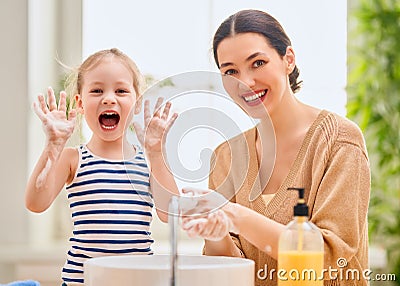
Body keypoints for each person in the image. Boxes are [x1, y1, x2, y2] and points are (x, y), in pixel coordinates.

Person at [181, 9, 370, 286]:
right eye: (230, 71)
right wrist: (216, 230)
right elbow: (228, 270)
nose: (245, 82)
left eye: (257, 63)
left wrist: (234, 215)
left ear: (288, 59)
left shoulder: (339, 141)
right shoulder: (226, 156)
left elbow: (330, 260)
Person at [25, 48, 179, 285]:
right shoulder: (72, 159)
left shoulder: (147, 162)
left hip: (137, 281)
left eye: (121, 91)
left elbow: (171, 215)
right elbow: (36, 203)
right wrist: (52, 146)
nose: (109, 98)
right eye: (97, 90)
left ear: (136, 103)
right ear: (80, 103)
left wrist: (157, 153)